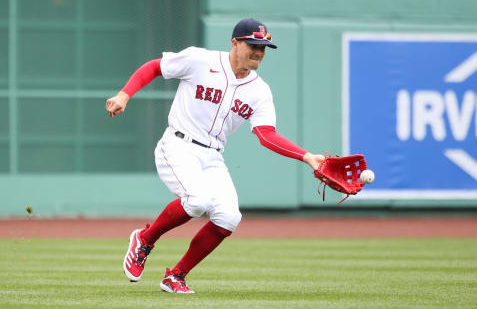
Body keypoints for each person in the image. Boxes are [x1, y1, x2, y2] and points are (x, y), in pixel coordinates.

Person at [105, 18, 325, 293]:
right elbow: (155, 68)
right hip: (178, 145)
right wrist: (125, 95)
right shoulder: (200, 60)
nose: (259, 52)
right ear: (235, 43)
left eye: (264, 47)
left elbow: (267, 134)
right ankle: (145, 239)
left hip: (213, 157)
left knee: (229, 217)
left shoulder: (260, 91)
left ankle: (176, 276)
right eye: (254, 44)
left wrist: (306, 156)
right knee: (196, 201)